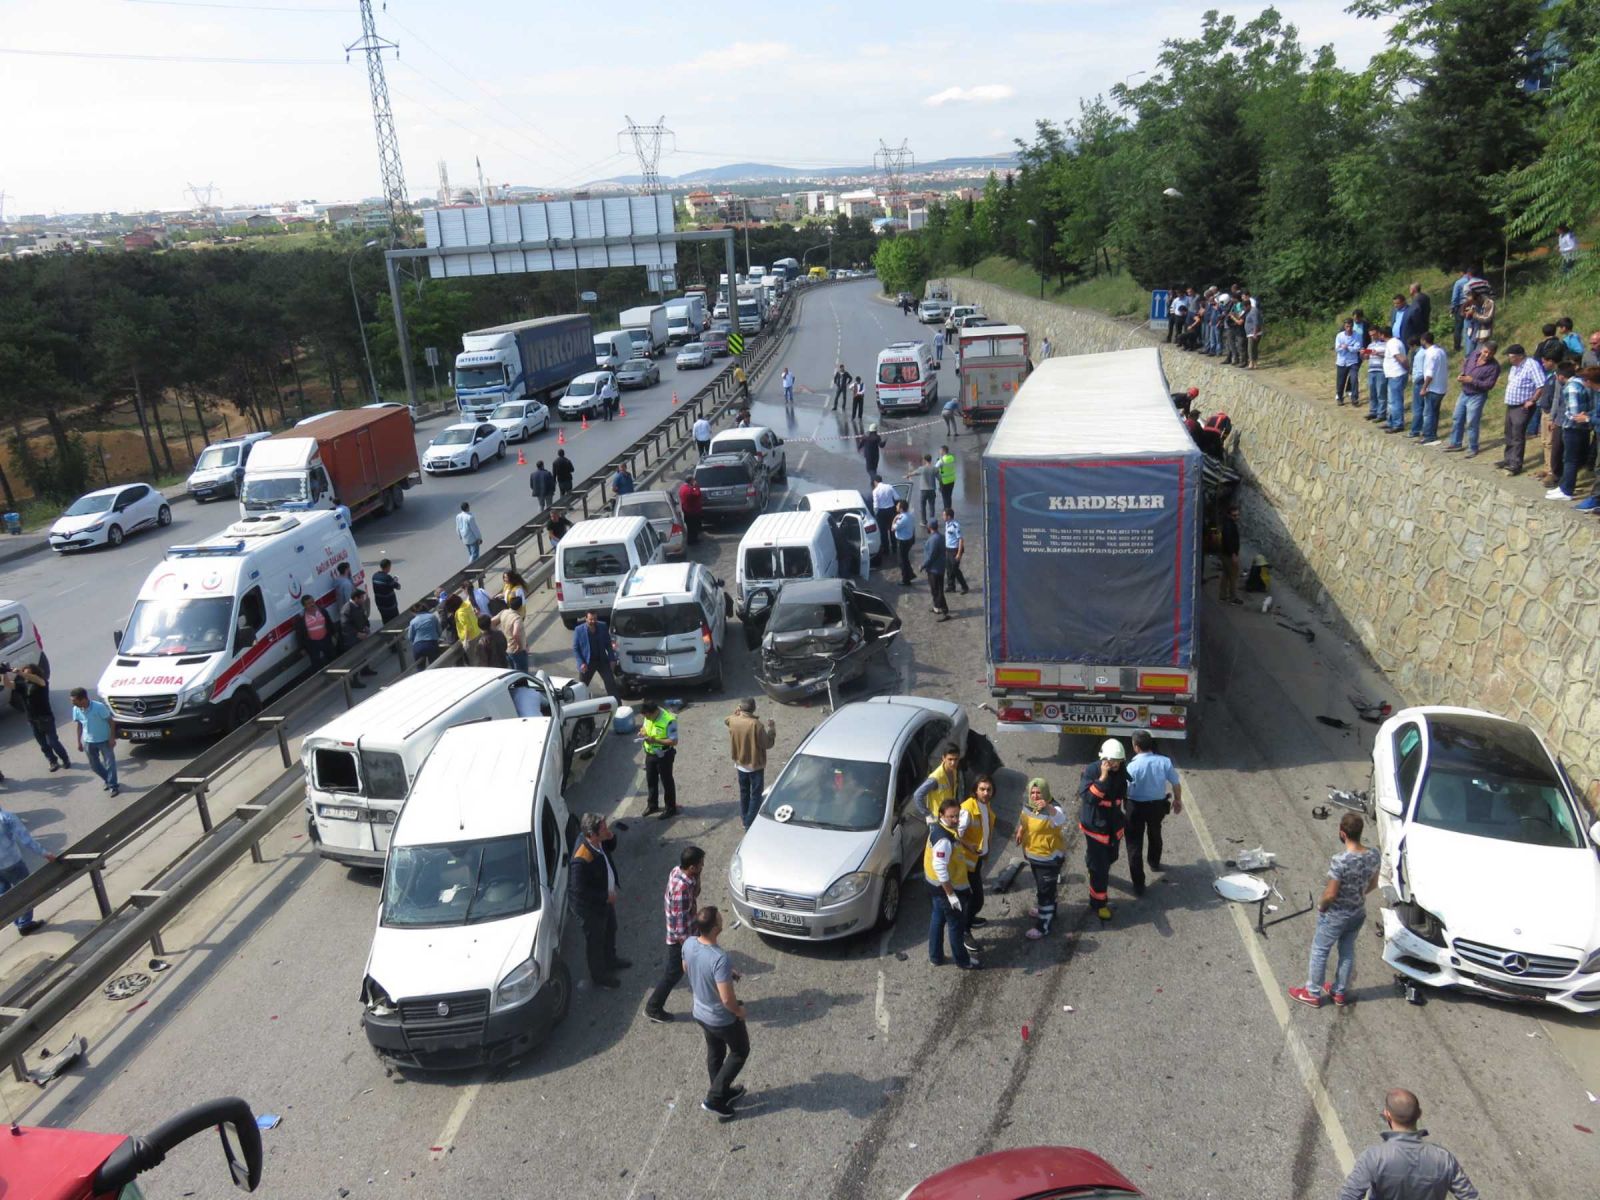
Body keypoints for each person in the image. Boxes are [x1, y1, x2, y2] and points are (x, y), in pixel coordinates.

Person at [1290, 811, 1380, 1008]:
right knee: (1347, 950)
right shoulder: (1374, 855)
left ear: (1342, 834)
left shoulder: (1341, 860)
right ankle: (1339, 991)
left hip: (1336, 914)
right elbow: (1374, 883)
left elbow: (1331, 894)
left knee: (1320, 950)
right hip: (1357, 912)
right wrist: (1359, 894)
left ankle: (1312, 992)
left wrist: (1322, 906)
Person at [1338, 1088, 1480, 1200]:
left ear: (1387, 1115)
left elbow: (1348, 1196)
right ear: (1419, 1114)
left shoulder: (1374, 1157)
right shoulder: (1444, 1159)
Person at [682, 905, 749, 1120]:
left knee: (715, 1051)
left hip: (700, 1013)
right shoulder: (720, 957)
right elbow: (727, 999)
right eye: (719, 919)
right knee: (740, 1051)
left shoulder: (689, 943)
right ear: (714, 929)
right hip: (721, 1018)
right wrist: (739, 1011)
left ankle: (722, 1091)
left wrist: (724, 974)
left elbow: (687, 967)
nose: (722, 921)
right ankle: (715, 1098)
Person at [644, 845, 704, 1023]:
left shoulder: (679, 872)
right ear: (691, 867)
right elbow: (679, 926)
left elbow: (696, 894)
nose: (703, 867)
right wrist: (689, 949)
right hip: (681, 940)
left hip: (691, 930)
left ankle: (715, 1000)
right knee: (674, 973)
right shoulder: (681, 889)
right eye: (700, 864)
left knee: (701, 966)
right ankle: (653, 1008)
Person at [570, 812, 629, 989]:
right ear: (592, 834)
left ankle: (611, 960)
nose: (607, 829)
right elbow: (579, 891)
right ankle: (600, 976)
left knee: (611, 928)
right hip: (590, 908)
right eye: (603, 828)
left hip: (605, 899)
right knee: (595, 941)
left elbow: (610, 848)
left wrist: (610, 837)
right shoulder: (581, 859)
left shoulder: (598, 840)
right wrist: (605, 897)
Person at [1123, 731, 1182, 896]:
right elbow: (1176, 783)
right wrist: (1178, 800)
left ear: (1136, 747)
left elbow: (1125, 789)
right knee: (1155, 832)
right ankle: (1154, 862)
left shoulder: (1131, 766)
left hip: (1134, 808)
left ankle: (1139, 884)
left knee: (1134, 844)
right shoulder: (1164, 762)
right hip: (1157, 807)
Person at [1078, 739, 1128, 921]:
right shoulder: (1092, 770)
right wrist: (1102, 779)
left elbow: (1124, 791)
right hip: (1096, 826)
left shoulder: (1121, 769)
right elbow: (1088, 798)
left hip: (1114, 824)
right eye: (1112, 761)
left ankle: (1091, 862)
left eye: (1119, 761)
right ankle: (1099, 903)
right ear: (1104, 759)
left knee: (1111, 858)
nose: (1116, 764)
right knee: (1100, 869)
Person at [926, 797, 978, 969]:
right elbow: (940, 867)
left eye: (957, 816)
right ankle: (963, 961)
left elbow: (952, 835)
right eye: (951, 817)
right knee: (956, 927)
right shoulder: (943, 842)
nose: (955, 820)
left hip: (934, 887)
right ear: (941, 814)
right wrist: (951, 895)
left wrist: (964, 844)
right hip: (948, 889)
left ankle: (935, 957)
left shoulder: (938, 827)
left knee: (937, 919)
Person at [1015, 778, 1067, 939]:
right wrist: (1021, 830)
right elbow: (1026, 819)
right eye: (1033, 792)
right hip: (1034, 856)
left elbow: (1061, 819)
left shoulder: (1053, 808)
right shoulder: (1029, 805)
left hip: (1048, 859)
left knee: (1045, 891)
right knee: (1044, 888)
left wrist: (1048, 807)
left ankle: (1043, 926)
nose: (1036, 796)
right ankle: (1049, 910)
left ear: (1045, 793)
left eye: (1039, 792)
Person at [0, 804, 56, 935]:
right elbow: (26, 840)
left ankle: (15, 919)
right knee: (26, 891)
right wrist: (45, 853)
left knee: (4, 896)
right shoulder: (6, 817)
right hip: (12, 862)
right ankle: (24, 923)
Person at [1548, 362, 1596, 502]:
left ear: (1561, 376)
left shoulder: (1571, 388)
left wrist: (1566, 417)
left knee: (1569, 460)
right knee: (1571, 459)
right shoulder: (1583, 383)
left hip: (1572, 428)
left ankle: (1566, 490)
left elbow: (1574, 413)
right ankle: (1563, 485)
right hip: (1584, 428)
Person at [1443, 340, 1500, 458]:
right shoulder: (1474, 354)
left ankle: (1473, 447)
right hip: (1464, 392)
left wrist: (1472, 380)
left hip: (1477, 396)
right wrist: (1462, 375)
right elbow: (1466, 364)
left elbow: (1489, 385)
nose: (1487, 355)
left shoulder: (1494, 367)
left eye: (1490, 353)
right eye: (1485, 352)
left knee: (1472, 422)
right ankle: (1455, 443)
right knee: (1457, 418)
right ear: (1482, 349)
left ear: (1494, 354)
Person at [726, 697, 776, 828]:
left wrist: (736, 712)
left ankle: (744, 818)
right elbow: (767, 744)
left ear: (740, 708)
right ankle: (748, 823)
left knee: (744, 793)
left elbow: (727, 720)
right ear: (753, 708)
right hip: (755, 766)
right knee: (755, 795)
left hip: (740, 764)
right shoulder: (756, 725)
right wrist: (772, 729)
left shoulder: (733, 720)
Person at [1495, 345, 1545, 477]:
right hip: (1511, 405)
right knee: (1509, 433)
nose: (1509, 359)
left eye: (1511, 356)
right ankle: (1508, 459)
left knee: (1518, 435)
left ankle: (1516, 464)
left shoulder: (1531, 365)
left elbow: (1541, 385)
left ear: (1520, 356)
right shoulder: (1514, 367)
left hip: (1522, 406)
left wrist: (1532, 400)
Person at [10, 664, 69, 771]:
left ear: (35, 673)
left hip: (45, 718)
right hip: (33, 719)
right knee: (43, 744)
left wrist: (20, 672)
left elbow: (38, 680)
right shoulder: (23, 685)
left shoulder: (42, 682)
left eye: (28, 673)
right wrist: (3, 672)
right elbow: (7, 684)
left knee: (53, 742)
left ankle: (65, 759)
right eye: (25, 673)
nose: (26, 676)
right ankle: (52, 761)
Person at [958, 774, 997, 931]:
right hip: (967, 864)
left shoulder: (985, 805)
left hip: (977, 860)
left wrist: (986, 849)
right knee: (975, 899)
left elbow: (985, 829)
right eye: (982, 789)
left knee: (975, 899)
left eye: (989, 790)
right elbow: (955, 835)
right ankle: (965, 931)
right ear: (975, 790)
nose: (986, 793)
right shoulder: (967, 810)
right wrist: (970, 847)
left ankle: (969, 919)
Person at [69, 687, 119, 796]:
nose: (72, 703)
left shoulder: (99, 707)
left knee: (110, 764)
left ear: (83, 699)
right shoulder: (76, 709)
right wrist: (79, 741)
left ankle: (113, 785)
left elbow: (111, 722)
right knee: (94, 766)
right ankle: (108, 779)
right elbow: (79, 725)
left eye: (74, 701)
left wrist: (112, 738)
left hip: (104, 740)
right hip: (88, 742)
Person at [638, 698, 678, 818]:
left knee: (667, 782)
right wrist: (642, 732)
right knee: (651, 780)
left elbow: (674, 741)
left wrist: (654, 740)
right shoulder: (648, 715)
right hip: (650, 754)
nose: (647, 718)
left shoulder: (669, 720)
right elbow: (645, 727)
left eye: (648, 716)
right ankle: (652, 805)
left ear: (654, 712)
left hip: (664, 756)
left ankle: (670, 808)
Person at [1410, 332, 1449, 444]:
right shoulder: (1441, 351)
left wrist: (1424, 387)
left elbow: (1429, 374)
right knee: (1435, 412)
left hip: (1433, 388)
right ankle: (1433, 433)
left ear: (1423, 341)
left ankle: (1428, 435)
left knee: (1428, 413)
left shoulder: (1430, 354)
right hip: (1442, 386)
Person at [573, 610, 620, 698]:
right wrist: (581, 663)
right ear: (586, 619)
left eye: (595, 619)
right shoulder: (578, 630)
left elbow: (608, 645)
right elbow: (576, 649)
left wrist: (612, 659)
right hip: (587, 663)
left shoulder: (603, 626)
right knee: (581, 687)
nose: (593, 621)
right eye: (591, 619)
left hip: (602, 661)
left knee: (611, 684)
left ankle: (618, 706)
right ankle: (579, 706)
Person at [912, 743, 963, 823]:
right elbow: (917, 795)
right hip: (937, 819)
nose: (953, 763)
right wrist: (928, 814)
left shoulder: (954, 771)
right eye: (950, 759)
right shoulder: (935, 778)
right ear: (943, 758)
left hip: (949, 817)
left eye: (956, 759)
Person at [340, 588, 371, 689]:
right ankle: (354, 680)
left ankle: (365, 670)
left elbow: (363, 616)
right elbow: (345, 625)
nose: (363, 599)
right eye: (361, 598)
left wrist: (366, 625)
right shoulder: (347, 609)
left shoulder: (358, 605)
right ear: (356, 598)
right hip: (352, 638)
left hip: (361, 634)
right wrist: (357, 633)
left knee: (363, 653)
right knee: (355, 659)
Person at [296, 594, 337, 670]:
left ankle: (337, 674)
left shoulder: (322, 610)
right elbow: (299, 634)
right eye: (308, 603)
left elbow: (329, 622)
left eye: (312, 602)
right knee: (316, 664)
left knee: (332, 658)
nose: (312, 604)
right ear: (304, 606)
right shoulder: (301, 618)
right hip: (312, 643)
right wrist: (301, 648)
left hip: (325, 639)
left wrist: (334, 635)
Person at [1381, 324, 1409, 432]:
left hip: (1396, 375)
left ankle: (1398, 424)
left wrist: (1407, 369)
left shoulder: (1392, 344)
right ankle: (1391, 421)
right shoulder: (1396, 342)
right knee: (1392, 400)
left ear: (1383, 335)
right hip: (1393, 375)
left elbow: (1401, 358)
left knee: (1395, 401)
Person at [922, 521, 949, 619]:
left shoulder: (933, 539)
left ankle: (945, 612)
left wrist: (923, 565)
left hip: (934, 569)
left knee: (937, 591)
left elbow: (931, 556)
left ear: (929, 528)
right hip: (940, 567)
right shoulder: (941, 536)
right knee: (936, 590)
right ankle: (937, 607)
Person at [1217, 500, 1241, 605]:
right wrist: (1234, 554)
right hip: (1229, 554)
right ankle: (1233, 598)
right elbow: (1229, 540)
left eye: (1237, 515)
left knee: (1226, 575)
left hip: (1225, 553)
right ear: (1229, 515)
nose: (1236, 517)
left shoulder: (1228, 523)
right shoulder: (1229, 525)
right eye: (1234, 515)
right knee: (1233, 576)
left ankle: (1223, 596)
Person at [1334, 319, 1363, 405]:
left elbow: (1357, 348)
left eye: (1350, 326)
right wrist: (1349, 347)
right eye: (1347, 326)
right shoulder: (1339, 336)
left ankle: (1354, 398)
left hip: (1352, 361)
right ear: (1344, 326)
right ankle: (1340, 397)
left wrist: (1347, 347)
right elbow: (1337, 348)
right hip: (1341, 361)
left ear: (1353, 326)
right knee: (1341, 381)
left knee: (1354, 379)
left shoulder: (1357, 336)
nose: (1349, 328)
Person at [941, 507, 969, 595]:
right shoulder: (947, 524)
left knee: (955, 570)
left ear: (949, 517)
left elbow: (960, 539)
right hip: (948, 549)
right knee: (948, 569)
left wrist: (959, 554)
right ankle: (951, 586)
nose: (942, 517)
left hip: (955, 550)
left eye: (944, 515)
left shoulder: (955, 526)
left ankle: (965, 587)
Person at [405, 599, 441, 666]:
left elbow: (410, 637)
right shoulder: (432, 617)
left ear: (414, 612)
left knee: (420, 668)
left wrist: (415, 642)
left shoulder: (413, 621)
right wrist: (437, 637)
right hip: (432, 644)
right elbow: (439, 630)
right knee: (435, 667)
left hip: (418, 646)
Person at [496, 595, 527, 672]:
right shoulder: (517, 618)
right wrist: (519, 646)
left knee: (513, 671)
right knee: (522, 673)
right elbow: (515, 633)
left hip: (507, 648)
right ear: (520, 607)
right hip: (516, 650)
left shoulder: (504, 612)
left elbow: (492, 622)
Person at [1363, 327, 1388, 421]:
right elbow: (1367, 358)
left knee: (1381, 393)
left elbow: (1388, 355)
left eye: (1374, 334)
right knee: (1372, 392)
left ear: (1378, 333)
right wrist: (1364, 354)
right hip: (1371, 370)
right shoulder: (1370, 345)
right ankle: (1373, 411)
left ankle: (1381, 414)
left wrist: (1378, 353)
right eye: (1371, 335)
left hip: (1381, 370)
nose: (1372, 337)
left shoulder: (1386, 344)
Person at [891, 499, 916, 586]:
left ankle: (906, 580)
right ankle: (910, 574)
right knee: (905, 559)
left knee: (901, 561)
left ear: (901, 509)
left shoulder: (901, 518)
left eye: (897, 506)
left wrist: (894, 519)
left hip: (903, 541)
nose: (896, 507)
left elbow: (893, 529)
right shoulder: (910, 515)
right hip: (909, 539)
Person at [370, 558, 401, 624]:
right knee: (396, 622)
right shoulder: (387, 578)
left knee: (386, 622)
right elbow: (398, 587)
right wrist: (394, 580)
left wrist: (392, 581)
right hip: (390, 606)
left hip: (380, 605)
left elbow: (385, 586)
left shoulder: (374, 576)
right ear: (387, 567)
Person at [909, 454, 938, 524]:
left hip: (923, 490)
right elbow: (939, 478)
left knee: (923, 506)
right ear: (931, 460)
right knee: (932, 506)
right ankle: (932, 522)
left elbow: (914, 473)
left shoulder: (921, 468)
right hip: (932, 490)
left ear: (925, 460)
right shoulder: (934, 468)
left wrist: (908, 475)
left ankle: (923, 521)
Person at [1448, 267, 1472, 351]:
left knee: (1458, 327)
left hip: (1461, 306)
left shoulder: (1459, 282)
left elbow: (1455, 297)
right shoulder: (1472, 281)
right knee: (1470, 325)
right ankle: (1469, 344)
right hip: (1472, 305)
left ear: (1462, 272)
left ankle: (1457, 346)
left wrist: (1452, 307)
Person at [869, 474, 898, 544]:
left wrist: (875, 515)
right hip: (891, 510)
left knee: (883, 532)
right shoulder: (889, 487)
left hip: (881, 512)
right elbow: (897, 497)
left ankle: (886, 549)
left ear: (875, 482)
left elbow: (875, 505)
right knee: (892, 529)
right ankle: (894, 547)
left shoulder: (875, 491)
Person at [678, 475, 704, 544]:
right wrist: (696, 486)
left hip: (687, 511)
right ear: (691, 481)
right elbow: (697, 494)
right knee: (693, 527)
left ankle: (692, 540)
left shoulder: (682, 488)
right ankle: (693, 541)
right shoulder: (689, 490)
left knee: (690, 528)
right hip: (693, 512)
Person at [936, 445, 957, 511]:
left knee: (945, 497)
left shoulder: (941, 460)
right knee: (949, 496)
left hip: (944, 481)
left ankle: (946, 511)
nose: (939, 451)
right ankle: (949, 509)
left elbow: (934, 469)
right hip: (952, 480)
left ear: (944, 451)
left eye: (940, 450)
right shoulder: (952, 457)